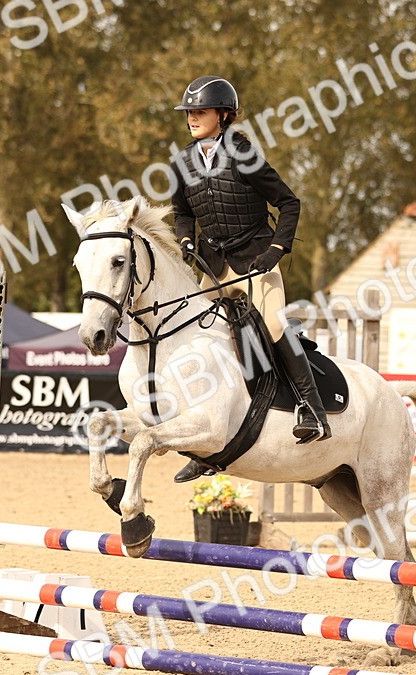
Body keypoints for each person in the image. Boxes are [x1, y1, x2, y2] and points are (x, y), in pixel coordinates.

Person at [169, 75, 330, 483]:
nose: (192, 118)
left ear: (223, 116)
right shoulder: (181, 162)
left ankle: (312, 408)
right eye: (189, 112)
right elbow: (182, 212)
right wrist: (186, 238)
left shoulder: (243, 153)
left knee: (274, 326)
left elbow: (289, 202)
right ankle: (203, 440)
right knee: (198, 338)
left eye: (199, 112)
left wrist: (277, 250)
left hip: (255, 257)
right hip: (213, 266)